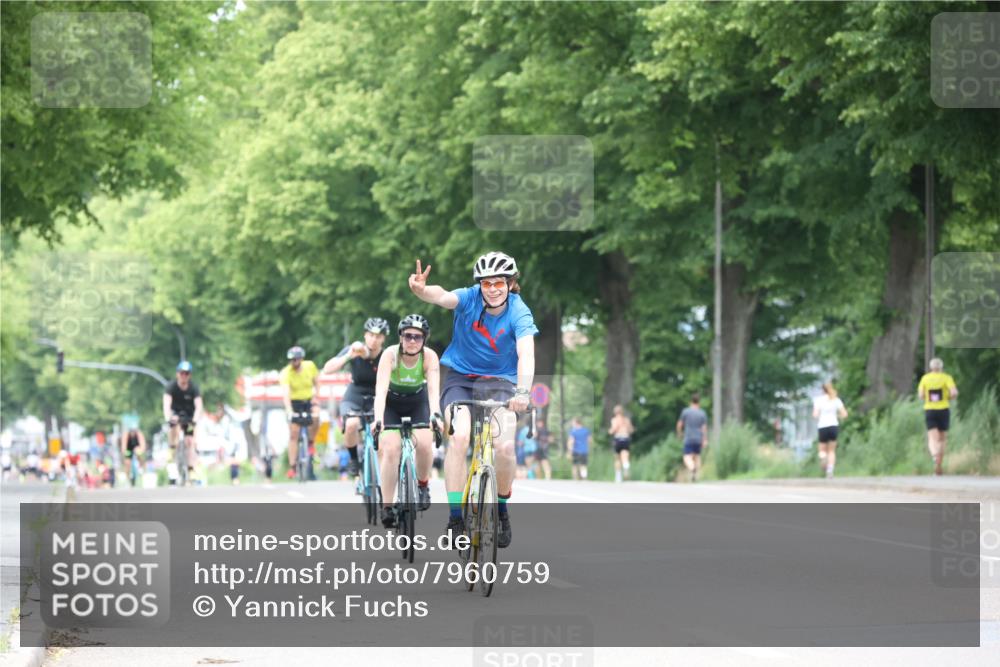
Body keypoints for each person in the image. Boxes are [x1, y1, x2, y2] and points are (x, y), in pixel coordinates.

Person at [408, 252, 537, 549]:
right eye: (487, 283)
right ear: (479, 284)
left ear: (511, 284)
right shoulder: (469, 298)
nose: (492, 289)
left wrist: (523, 392)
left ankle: (502, 510)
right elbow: (442, 297)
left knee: (505, 446)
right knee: (460, 436)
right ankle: (455, 517)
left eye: (499, 283)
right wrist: (421, 291)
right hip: (461, 379)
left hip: (502, 383)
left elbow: (526, 353)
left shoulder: (520, 312)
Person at [372, 314, 443, 527]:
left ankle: (422, 486)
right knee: (391, 449)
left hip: (417, 402)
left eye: (418, 337)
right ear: (400, 337)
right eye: (408, 336)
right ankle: (386, 506)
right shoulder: (389, 355)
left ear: (424, 340)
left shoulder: (429, 357)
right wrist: (377, 419)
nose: (412, 341)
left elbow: (432, 391)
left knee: (423, 440)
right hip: (392, 404)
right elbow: (381, 390)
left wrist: (436, 416)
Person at [324, 318, 389, 480]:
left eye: (378, 336)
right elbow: (327, 369)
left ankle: (383, 485)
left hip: (378, 395)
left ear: (383, 338)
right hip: (355, 393)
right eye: (371, 335)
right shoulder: (353, 350)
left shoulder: (387, 354)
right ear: (365, 336)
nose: (374, 339)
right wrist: (348, 356)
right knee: (351, 424)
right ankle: (353, 458)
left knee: (383, 440)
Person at [280, 346, 320, 480]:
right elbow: (286, 394)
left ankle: (311, 442)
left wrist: (316, 397)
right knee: (294, 433)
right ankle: (292, 466)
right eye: (291, 360)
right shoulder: (286, 373)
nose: (293, 362)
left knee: (316, 416)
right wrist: (289, 410)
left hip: (309, 399)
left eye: (296, 359)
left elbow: (317, 383)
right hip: (294, 402)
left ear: (301, 359)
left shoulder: (310, 366)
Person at [163, 361, 204, 484]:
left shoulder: (194, 388)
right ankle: (172, 448)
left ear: (189, 375)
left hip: (189, 417)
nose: (184, 376)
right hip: (176, 414)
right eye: (181, 373)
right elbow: (166, 404)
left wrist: (195, 420)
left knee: (190, 441)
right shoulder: (171, 387)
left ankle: (191, 469)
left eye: (186, 373)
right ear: (177, 374)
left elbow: (198, 406)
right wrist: (168, 417)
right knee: (173, 427)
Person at [917, 358, 958, 476]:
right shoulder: (946, 378)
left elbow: (920, 395)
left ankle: (935, 456)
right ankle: (939, 462)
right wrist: (948, 398)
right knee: (942, 438)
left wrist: (928, 397)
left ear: (931, 367)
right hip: (944, 409)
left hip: (930, 410)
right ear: (941, 367)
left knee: (932, 437)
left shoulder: (925, 378)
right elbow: (954, 393)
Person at [812, 382, 848, 479]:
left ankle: (823, 458)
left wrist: (820, 416)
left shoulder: (818, 400)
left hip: (823, 426)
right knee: (831, 451)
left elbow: (815, 415)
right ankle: (830, 471)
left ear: (822, 390)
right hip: (833, 426)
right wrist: (837, 416)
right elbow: (844, 414)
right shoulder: (835, 399)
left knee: (822, 450)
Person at [677, 393, 708, 482]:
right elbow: (704, 428)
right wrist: (705, 439)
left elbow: (679, 424)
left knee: (687, 457)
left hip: (688, 437)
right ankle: (696, 474)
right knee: (697, 456)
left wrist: (680, 433)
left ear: (691, 401)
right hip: (698, 437)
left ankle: (692, 468)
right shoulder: (702, 413)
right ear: (699, 402)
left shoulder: (685, 412)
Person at [608, 404, 635, 483]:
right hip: (626, 438)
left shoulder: (614, 420)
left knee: (617, 458)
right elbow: (631, 430)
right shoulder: (626, 420)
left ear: (615, 412)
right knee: (625, 456)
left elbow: (613, 430)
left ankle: (618, 477)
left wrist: (610, 431)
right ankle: (626, 467)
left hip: (618, 439)